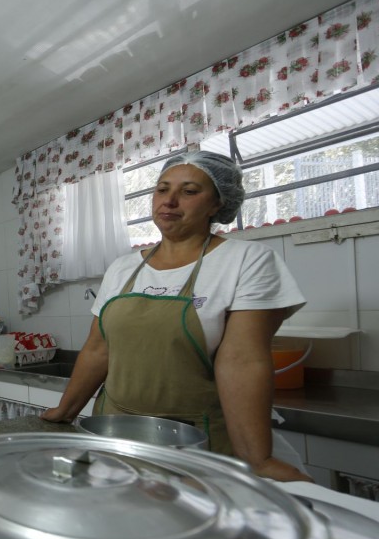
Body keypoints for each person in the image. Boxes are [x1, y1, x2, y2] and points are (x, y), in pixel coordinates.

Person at [41, 150, 312, 483]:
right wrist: (64, 412)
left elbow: (241, 360)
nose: (168, 201)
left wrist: (257, 458)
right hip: (115, 432)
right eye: (162, 189)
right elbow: (99, 349)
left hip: (197, 439)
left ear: (217, 204)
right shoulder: (124, 267)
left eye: (189, 191)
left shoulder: (247, 260)